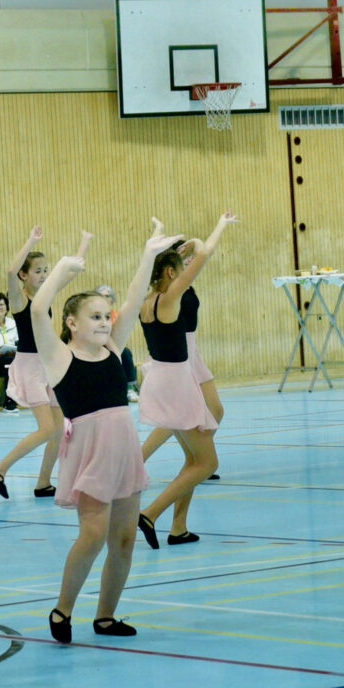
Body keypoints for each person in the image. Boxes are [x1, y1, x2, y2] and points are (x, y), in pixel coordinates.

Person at [32, 229, 167, 641]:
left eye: (106, 317)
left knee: (124, 539)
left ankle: (105, 616)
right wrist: (61, 271)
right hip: (91, 454)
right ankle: (63, 610)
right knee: (92, 535)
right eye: (95, 317)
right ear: (71, 323)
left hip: (124, 451)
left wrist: (148, 255)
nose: (105, 322)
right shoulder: (59, 357)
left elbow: (133, 300)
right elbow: (37, 311)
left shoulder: (113, 349)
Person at [134, 212, 236, 546]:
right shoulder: (171, 297)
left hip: (164, 376)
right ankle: (150, 512)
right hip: (178, 379)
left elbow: (202, 254)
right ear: (170, 271)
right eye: (181, 265)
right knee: (206, 462)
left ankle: (178, 527)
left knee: (195, 458)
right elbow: (203, 253)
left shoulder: (145, 299)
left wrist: (219, 226)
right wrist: (194, 243)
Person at [0, 227, 63, 498]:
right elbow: (10, 272)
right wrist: (30, 241)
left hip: (48, 366)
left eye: (46, 270)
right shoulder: (19, 300)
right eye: (38, 271)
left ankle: (44, 482)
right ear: (24, 275)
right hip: (30, 367)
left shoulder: (45, 296)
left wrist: (82, 250)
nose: (43, 275)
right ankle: (0, 468)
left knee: (59, 428)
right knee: (47, 428)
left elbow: (65, 277)